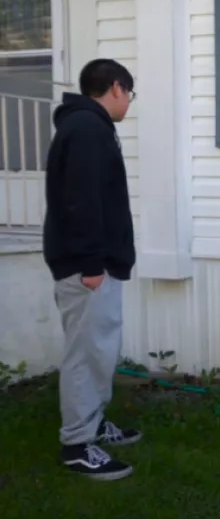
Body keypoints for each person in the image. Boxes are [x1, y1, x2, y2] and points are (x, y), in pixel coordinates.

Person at [43, 58, 140, 481]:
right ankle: (78, 445)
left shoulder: (89, 126)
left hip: (97, 263)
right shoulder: (86, 129)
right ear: (116, 87)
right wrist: (90, 263)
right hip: (88, 267)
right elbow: (79, 200)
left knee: (99, 349)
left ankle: (94, 424)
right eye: (130, 95)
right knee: (86, 354)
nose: (129, 104)